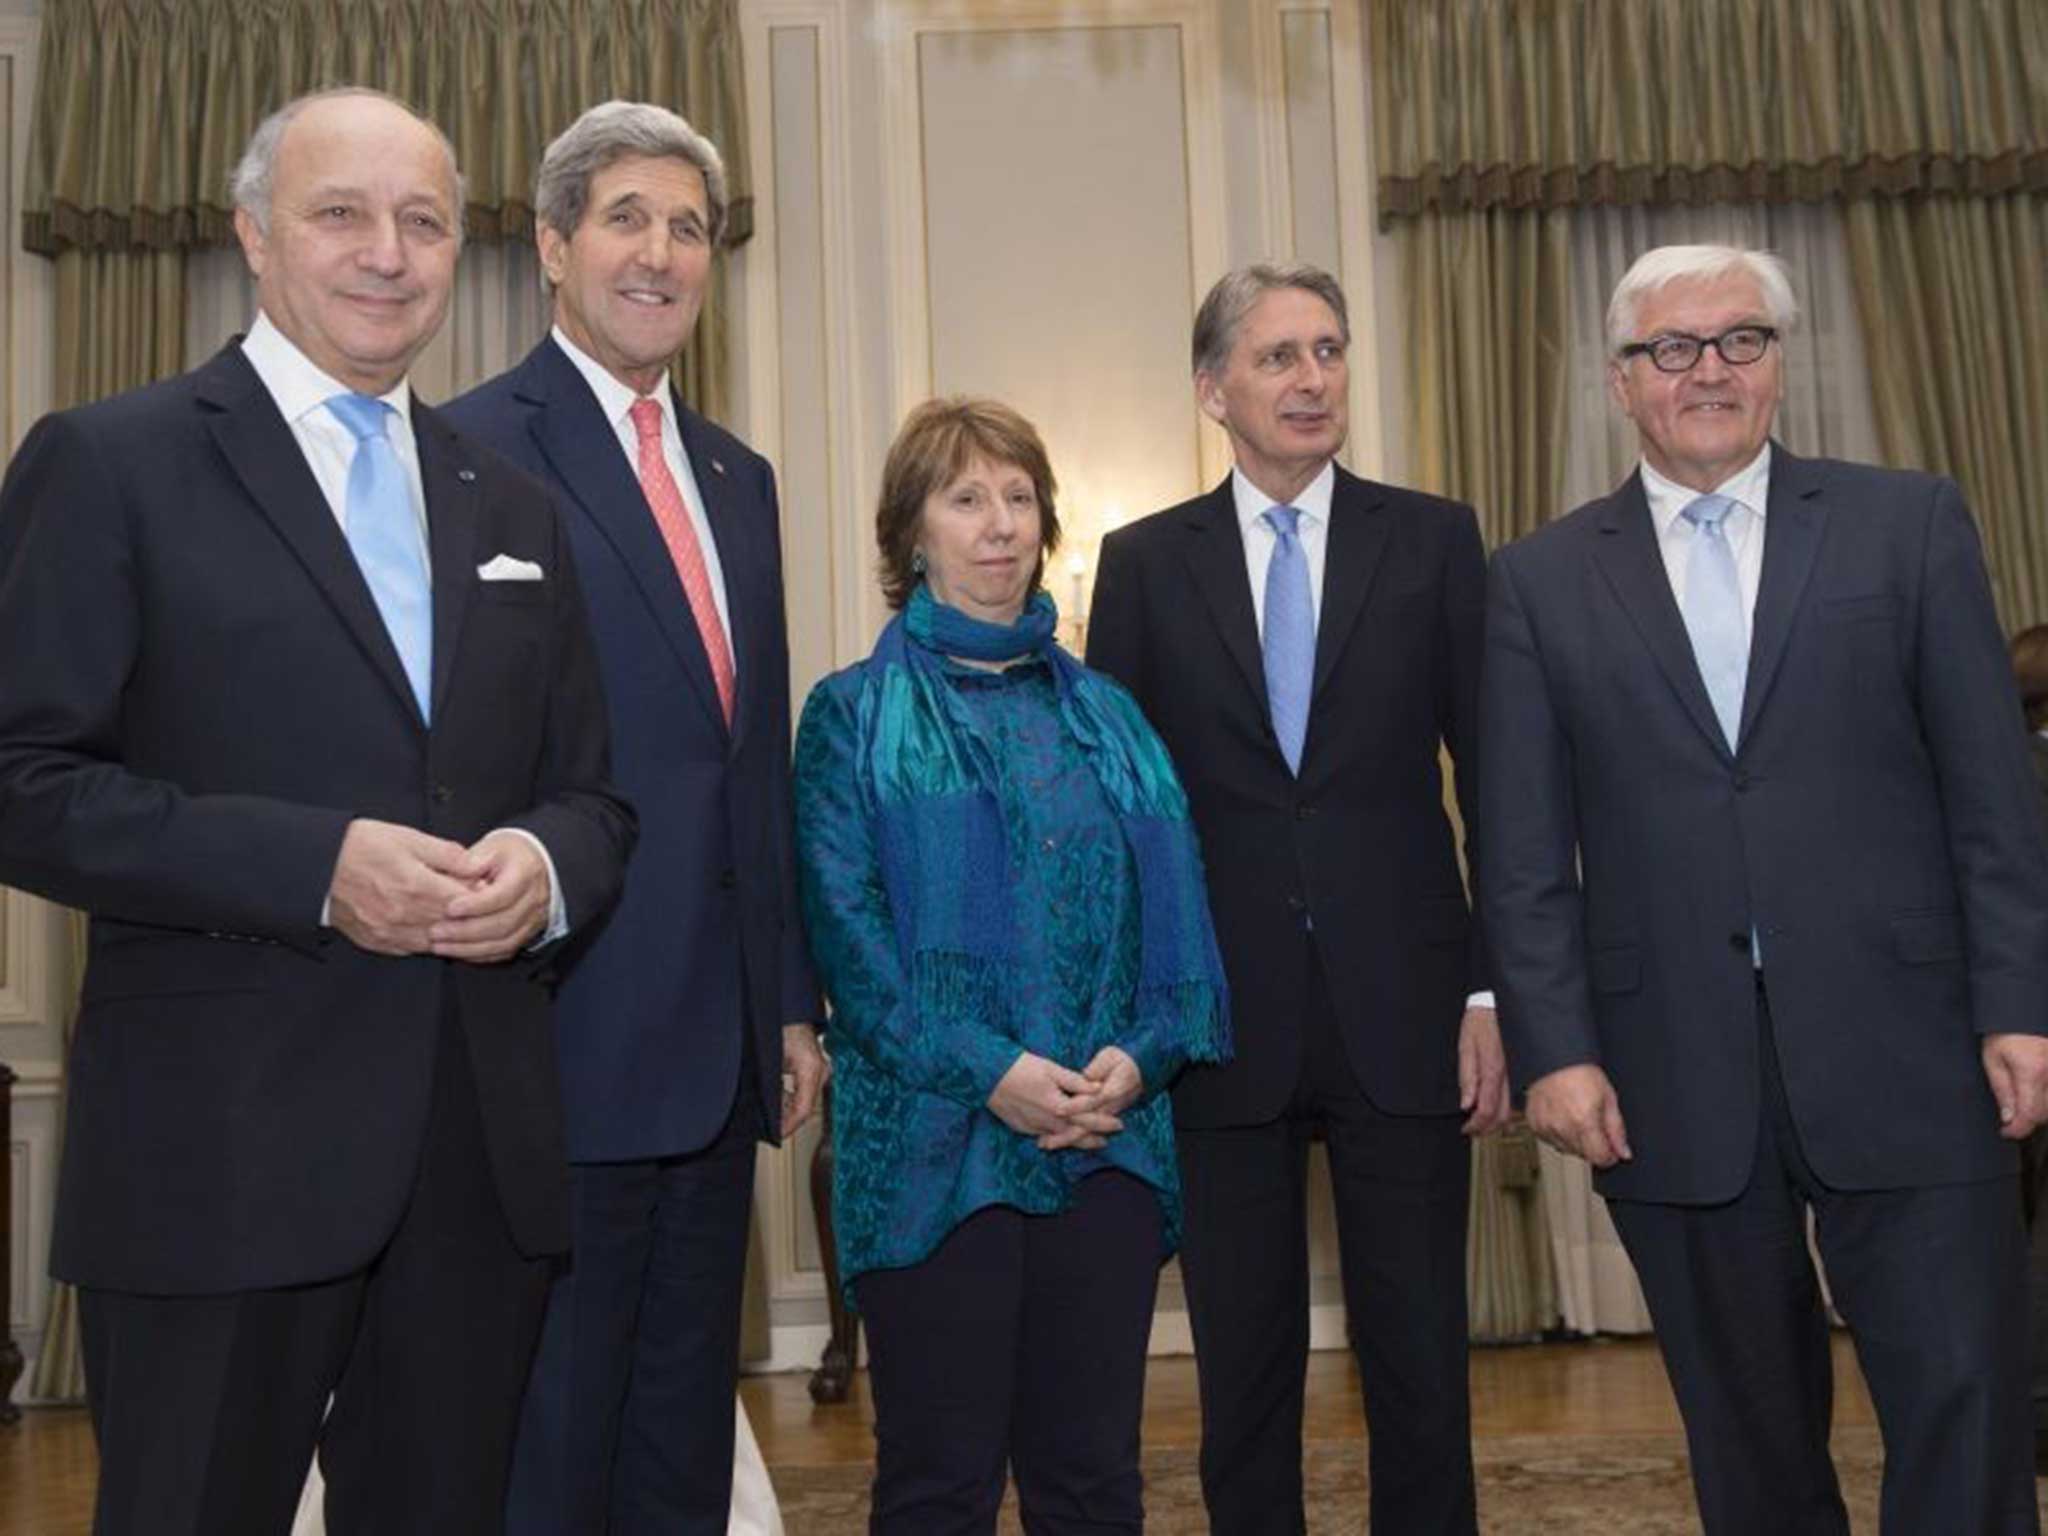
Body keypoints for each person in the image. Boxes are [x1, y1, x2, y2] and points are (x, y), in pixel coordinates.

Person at [0, 88, 636, 1536]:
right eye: (339, 212)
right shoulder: (111, 463)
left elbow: (593, 794)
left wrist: (544, 866)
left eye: (422, 220)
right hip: (218, 1160)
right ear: (253, 236)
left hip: (474, 1163)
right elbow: (21, 782)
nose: (388, 253)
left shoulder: (513, 507)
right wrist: (313, 868)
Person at [1479, 243, 2048, 1534]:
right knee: (1746, 1439)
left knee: (1965, 1401)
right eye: (1672, 349)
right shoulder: (1538, 581)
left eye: (1741, 339)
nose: (1709, 371)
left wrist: (2022, 1005)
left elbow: (1994, 800)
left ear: (1782, 364)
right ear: (1622, 383)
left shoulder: (1909, 524)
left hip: (1914, 1050)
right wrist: (1554, 1049)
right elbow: (1518, 853)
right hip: (1668, 1067)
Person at [442, 101, 825, 1536]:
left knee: (677, 1446)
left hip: (721, 1058)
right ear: (551, 246)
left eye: (690, 228)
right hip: (560, 1035)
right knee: (553, 1448)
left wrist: (786, 1005)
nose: (661, 254)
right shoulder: (470, 451)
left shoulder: (743, 480)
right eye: (626, 220)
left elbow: (752, 767)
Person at [1085, 263, 1504, 1534]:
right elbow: (1125, 822)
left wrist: (1494, 988)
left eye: (1326, 350)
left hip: (1410, 1006)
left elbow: (1496, 777)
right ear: (1214, 390)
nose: (1310, 377)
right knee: (1243, 1371)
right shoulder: (1145, 563)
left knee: (1421, 1362)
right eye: (1276, 357)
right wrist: (1133, 1011)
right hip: (1218, 1020)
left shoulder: (1432, 539)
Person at [794, 397, 1231, 1534]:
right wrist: (993, 1070)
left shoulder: (1113, 719)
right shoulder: (846, 717)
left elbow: (1175, 933)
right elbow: (854, 951)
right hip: (934, 1153)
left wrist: (1135, 1062)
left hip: (1107, 1142)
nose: (998, 524)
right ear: (910, 534)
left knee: (1091, 1483)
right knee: (938, 1486)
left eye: (1018, 497)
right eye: (965, 498)